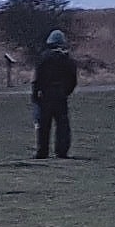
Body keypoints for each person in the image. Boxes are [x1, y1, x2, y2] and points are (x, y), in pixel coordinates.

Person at [31, 29, 78, 159]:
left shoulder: (43, 57)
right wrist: (65, 92)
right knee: (62, 124)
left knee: (44, 125)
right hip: (61, 95)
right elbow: (73, 79)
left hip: (45, 95)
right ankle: (61, 151)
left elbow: (37, 78)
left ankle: (42, 152)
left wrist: (35, 94)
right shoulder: (67, 59)